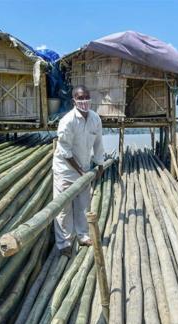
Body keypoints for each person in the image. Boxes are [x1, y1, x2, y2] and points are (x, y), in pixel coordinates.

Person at [52, 85, 105, 257]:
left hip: (84, 166)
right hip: (66, 169)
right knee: (63, 206)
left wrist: (100, 164)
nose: (84, 101)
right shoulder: (67, 121)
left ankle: (83, 235)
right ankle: (64, 244)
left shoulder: (95, 119)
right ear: (73, 100)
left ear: (90, 98)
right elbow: (64, 151)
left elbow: (98, 143)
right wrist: (80, 171)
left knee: (83, 203)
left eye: (86, 97)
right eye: (80, 98)